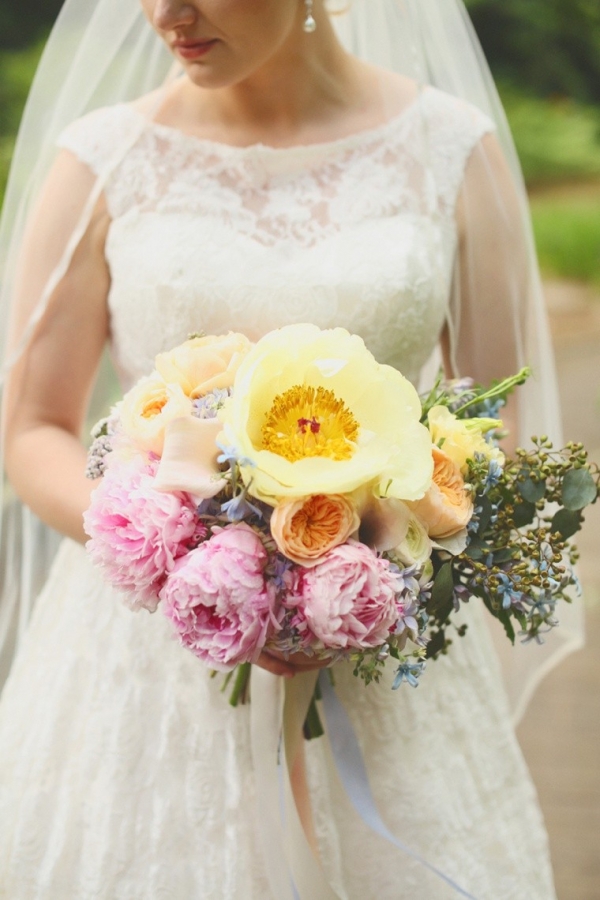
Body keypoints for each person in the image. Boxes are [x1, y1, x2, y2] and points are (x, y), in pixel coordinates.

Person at [0, 0, 582, 896]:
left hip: (377, 625)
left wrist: (363, 560)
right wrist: (184, 553)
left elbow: (492, 421)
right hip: (155, 646)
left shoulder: (452, 150)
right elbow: (32, 425)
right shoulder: (102, 160)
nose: (164, 13)